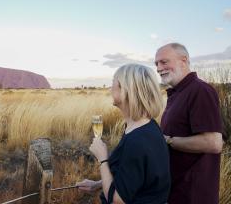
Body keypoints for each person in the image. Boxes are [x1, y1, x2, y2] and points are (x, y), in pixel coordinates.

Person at [76, 64, 171, 204]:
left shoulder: (137, 140)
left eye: (114, 82)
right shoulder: (144, 127)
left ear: (127, 90)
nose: (110, 88)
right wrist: (97, 184)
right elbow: (132, 178)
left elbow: (118, 200)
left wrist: (103, 159)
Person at [155, 43, 224, 204]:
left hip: (193, 195)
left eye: (164, 62)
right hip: (176, 191)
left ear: (183, 60)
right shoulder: (177, 93)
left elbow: (213, 143)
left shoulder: (200, 90)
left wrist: (168, 140)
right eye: (156, 64)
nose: (158, 68)